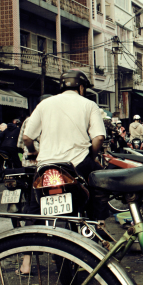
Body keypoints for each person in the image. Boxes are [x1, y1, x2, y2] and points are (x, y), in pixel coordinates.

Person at [21, 70, 107, 274]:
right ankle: (99, 230)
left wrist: (34, 152)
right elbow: (98, 139)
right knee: (100, 185)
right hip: (77, 164)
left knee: (34, 208)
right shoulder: (89, 105)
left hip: (46, 166)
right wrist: (91, 157)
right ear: (81, 87)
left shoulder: (45, 104)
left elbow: (26, 138)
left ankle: (25, 262)